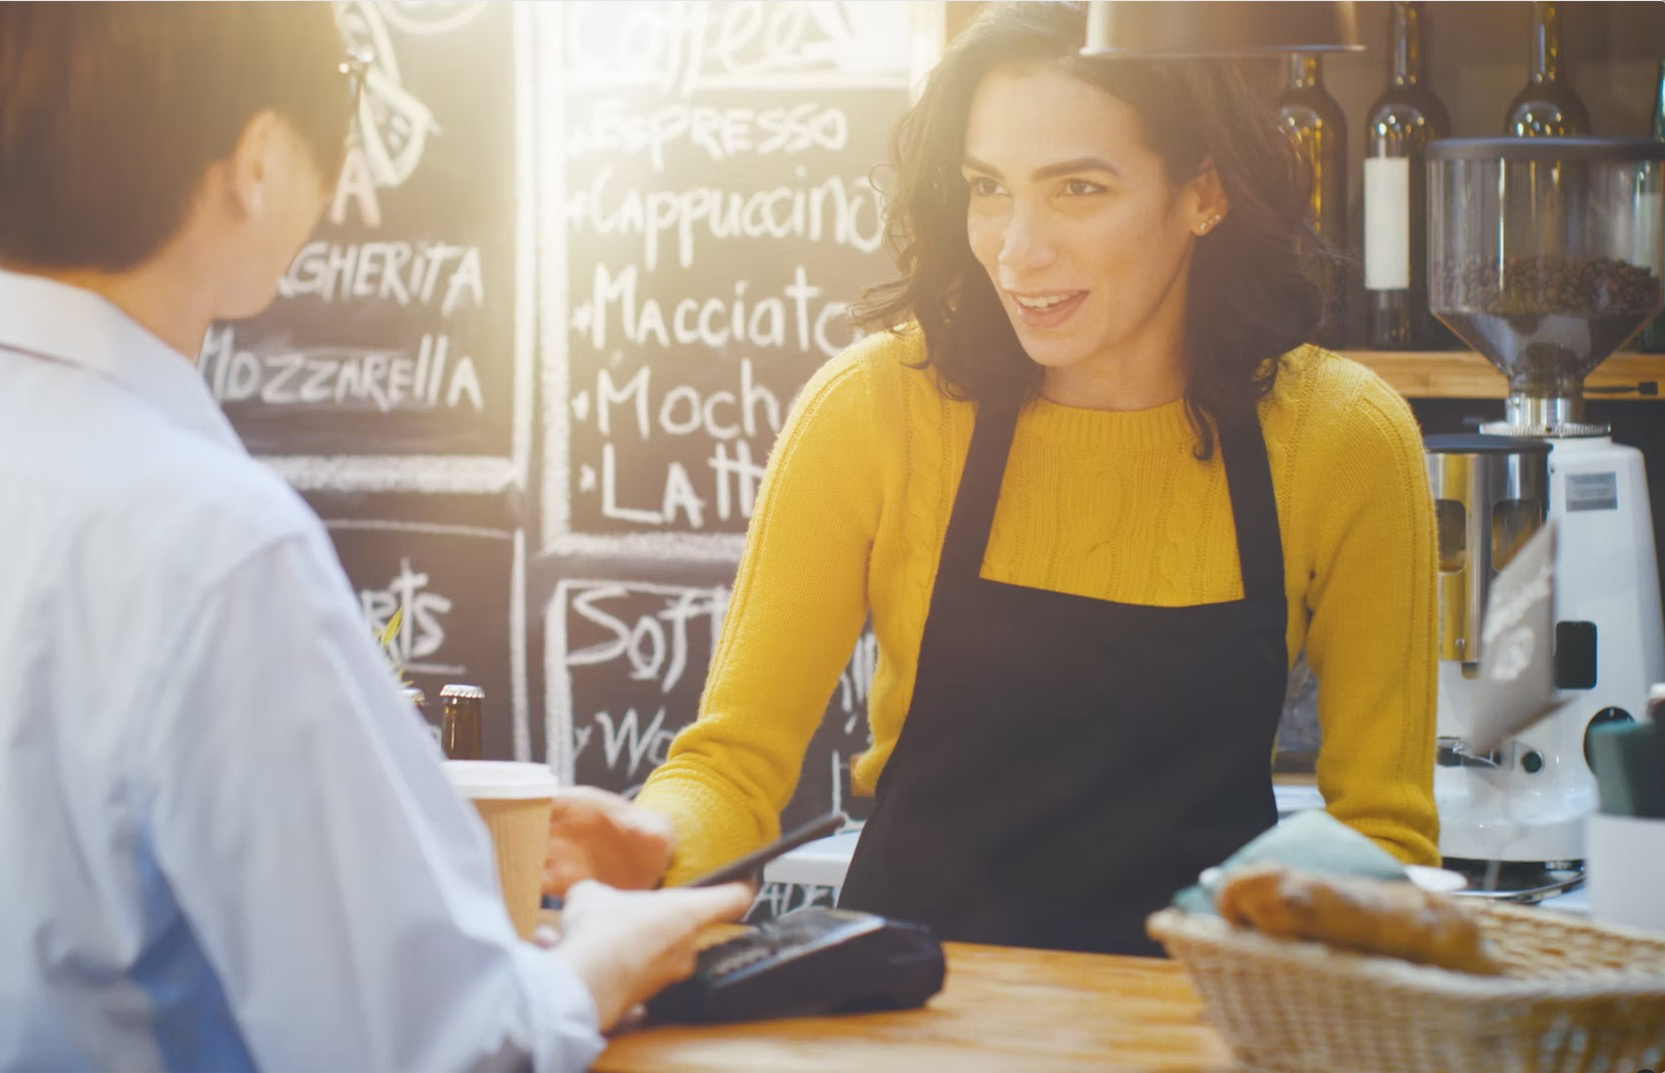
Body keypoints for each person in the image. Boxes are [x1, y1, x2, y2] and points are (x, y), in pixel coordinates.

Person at [0, 5, 749, 1070]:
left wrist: (423, 822)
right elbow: (420, 1045)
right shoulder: (214, 544)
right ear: (262, 158)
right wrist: (597, 956)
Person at [550, 1, 1440, 956]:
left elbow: (1378, 839)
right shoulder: (875, 408)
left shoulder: (1341, 438)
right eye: (987, 186)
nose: (1017, 249)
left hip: (1195, 1026)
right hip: (914, 1016)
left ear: (1203, 193)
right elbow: (732, 766)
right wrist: (648, 847)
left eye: (1078, 189)